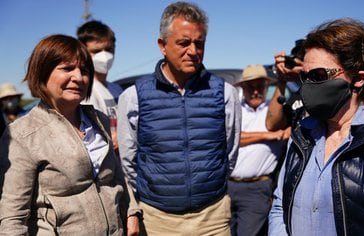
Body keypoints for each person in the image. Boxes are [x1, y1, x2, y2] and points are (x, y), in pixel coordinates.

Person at [268, 18, 364, 236]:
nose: (309, 85)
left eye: (319, 76)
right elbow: (279, 207)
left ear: (358, 79)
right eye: (305, 77)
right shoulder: (302, 133)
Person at [117, 2, 241, 235]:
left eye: (199, 43)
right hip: (157, 220)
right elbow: (128, 160)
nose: (193, 51)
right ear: (162, 45)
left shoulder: (225, 93)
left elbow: (230, 153)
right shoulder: (134, 96)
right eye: (184, 43)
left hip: (212, 218)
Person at [0, 34, 141, 235]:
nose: (78, 77)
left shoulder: (98, 119)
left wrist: (132, 212)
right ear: (42, 72)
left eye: (84, 70)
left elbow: (116, 175)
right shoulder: (22, 134)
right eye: (67, 68)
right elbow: (13, 217)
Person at [228, 64, 288, 236]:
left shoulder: (274, 112)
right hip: (227, 185)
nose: (255, 91)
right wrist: (268, 135)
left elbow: (283, 128)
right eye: (250, 86)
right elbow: (230, 138)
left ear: (267, 87)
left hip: (257, 188)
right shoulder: (235, 109)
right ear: (243, 88)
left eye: (260, 86)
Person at [77, 20, 123, 153]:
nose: (104, 56)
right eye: (96, 51)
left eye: (108, 50)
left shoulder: (117, 89)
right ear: (83, 51)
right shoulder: (84, 90)